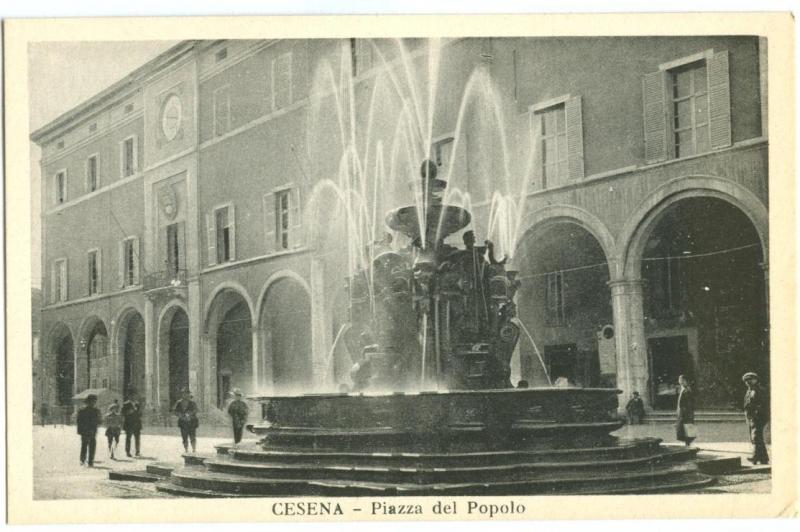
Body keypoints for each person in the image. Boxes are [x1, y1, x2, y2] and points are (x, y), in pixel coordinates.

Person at [742, 372, 769, 464]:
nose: (748, 382)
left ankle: (755, 457)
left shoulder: (760, 390)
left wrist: (756, 414)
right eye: (746, 381)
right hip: (751, 417)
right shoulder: (749, 391)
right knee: (757, 437)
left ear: (756, 380)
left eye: (750, 380)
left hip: (758, 417)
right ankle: (763, 458)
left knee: (756, 436)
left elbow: (763, 404)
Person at [76, 395, 101, 467]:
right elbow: (79, 421)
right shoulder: (93, 411)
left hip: (89, 431)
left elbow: (99, 421)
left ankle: (86, 461)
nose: (94, 403)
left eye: (94, 401)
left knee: (88, 446)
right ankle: (86, 461)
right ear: (88, 402)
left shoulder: (94, 410)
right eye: (93, 401)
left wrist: (80, 431)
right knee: (88, 446)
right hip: (88, 431)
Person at [174, 388, 199, 454]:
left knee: (192, 437)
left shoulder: (192, 403)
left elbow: (196, 410)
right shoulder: (179, 403)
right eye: (183, 394)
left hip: (192, 422)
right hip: (183, 423)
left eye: (186, 393)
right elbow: (175, 411)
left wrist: (189, 414)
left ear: (188, 394)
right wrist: (180, 415)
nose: (185, 395)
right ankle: (186, 450)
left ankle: (194, 449)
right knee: (184, 437)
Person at [675, 375, 696, 446]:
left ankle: (688, 443)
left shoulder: (686, 390)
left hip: (685, 413)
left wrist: (688, 413)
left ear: (684, 380)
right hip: (682, 412)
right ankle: (687, 442)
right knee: (683, 428)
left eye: (680, 379)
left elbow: (689, 403)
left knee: (686, 428)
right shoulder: (682, 389)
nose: (679, 381)